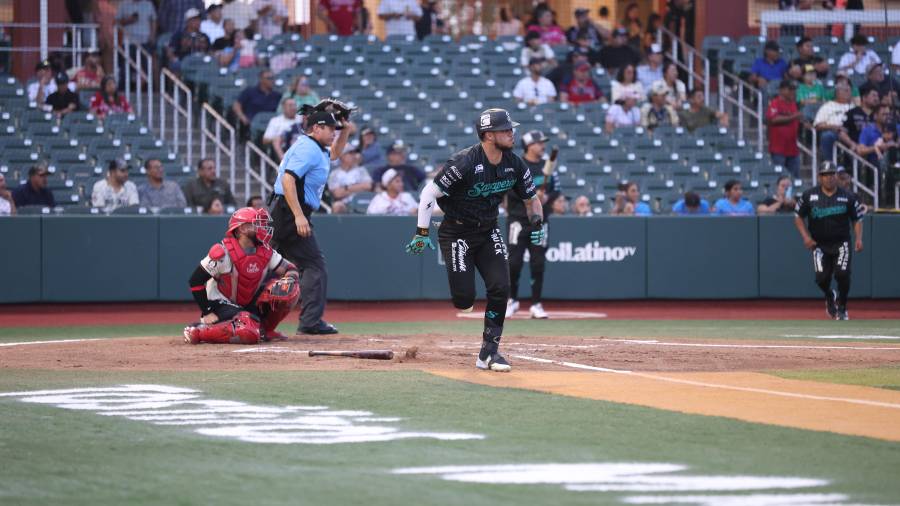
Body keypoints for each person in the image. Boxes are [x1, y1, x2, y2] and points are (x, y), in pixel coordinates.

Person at [406, 108, 543, 373]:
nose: (511, 133)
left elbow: (531, 198)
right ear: (488, 135)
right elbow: (428, 194)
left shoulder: (514, 164)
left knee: (501, 287)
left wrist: (536, 222)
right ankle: (473, 317)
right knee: (463, 299)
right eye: (505, 130)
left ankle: (489, 353)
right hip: (456, 232)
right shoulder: (465, 162)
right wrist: (422, 232)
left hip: (488, 230)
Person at [268, 107, 353, 335]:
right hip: (288, 211)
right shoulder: (308, 148)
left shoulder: (316, 147)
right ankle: (309, 322)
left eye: (336, 129)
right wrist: (298, 216)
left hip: (286, 210)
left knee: (266, 265)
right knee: (313, 266)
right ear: (316, 128)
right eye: (330, 128)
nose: (334, 132)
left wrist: (345, 129)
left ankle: (248, 316)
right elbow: (288, 180)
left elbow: (334, 153)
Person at [184, 207, 300, 344]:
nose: (262, 228)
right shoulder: (223, 252)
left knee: (289, 289)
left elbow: (291, 269)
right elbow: (195, 281)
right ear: (242, 229)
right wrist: (207, 311)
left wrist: (289, 279)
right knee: (247, 329)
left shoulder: (266, 250)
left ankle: (266, 330)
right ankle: (198, 331)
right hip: (220, 304)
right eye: (256, 224)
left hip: (248, 302)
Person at [793, 162, 863, 320]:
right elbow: (797, 216)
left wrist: (859, 238)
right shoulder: (809, 195)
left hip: (841, 242)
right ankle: (829, 295)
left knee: (842, 273)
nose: (829, 178)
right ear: (819, 177)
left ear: (836, 176)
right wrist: (806, 237)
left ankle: (842, 306)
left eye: (832, 174)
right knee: (821, 278)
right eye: (825, 174)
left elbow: (857, 219)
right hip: (819, 244)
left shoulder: (848, 196)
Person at [504, 129, 559, 320]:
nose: (542, 146)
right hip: (518, 221)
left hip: (539, 221)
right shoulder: (516, 165)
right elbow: (509, 191)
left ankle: (536, 304)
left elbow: (556, 190)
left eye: (543, 142)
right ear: (528, 145)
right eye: (538, 143)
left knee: (538, 263)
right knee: (514, 262)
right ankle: (512, 300)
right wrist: (532, 197)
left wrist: (546, 199)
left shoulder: (548, 167)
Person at [766, 80, 802, 178]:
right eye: (789, 89)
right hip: (778, 148)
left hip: (793, 148)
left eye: (793, 90)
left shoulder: (793, 104)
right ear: (781, 90)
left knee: (795, 179)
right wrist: (793, 117)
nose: (792, 92)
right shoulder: (775, 103)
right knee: (780, 178)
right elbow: (773, 119)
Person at [328, 145, 372, 214]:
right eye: (350, 153)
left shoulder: (361, 170)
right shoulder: (334, 174)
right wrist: (359, 187)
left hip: (361, 201)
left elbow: (368, 186)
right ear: (342, 156)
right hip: (344, 204)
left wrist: (346, 188)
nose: (354, 156)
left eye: (354, 153)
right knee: (337, 206)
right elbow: (337, 194)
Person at [814, 83, 853, 160]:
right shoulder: (827, 106)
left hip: (851, 132)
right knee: (827, 136)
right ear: (837, 92)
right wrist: (835, 127)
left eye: (850, 91)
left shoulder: (853, 106)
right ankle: (829, 164)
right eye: (846, 90)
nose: (849, 93)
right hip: (834, 133)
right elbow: (818, 125)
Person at [839, 85, 880, 152]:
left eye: (877, 96)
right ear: (864, 98)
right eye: (874, 96)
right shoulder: (851, 113)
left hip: (875, 149)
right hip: (856, 150)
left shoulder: (879, 115)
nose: (877, 99)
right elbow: (842, 133)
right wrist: (852, 144)